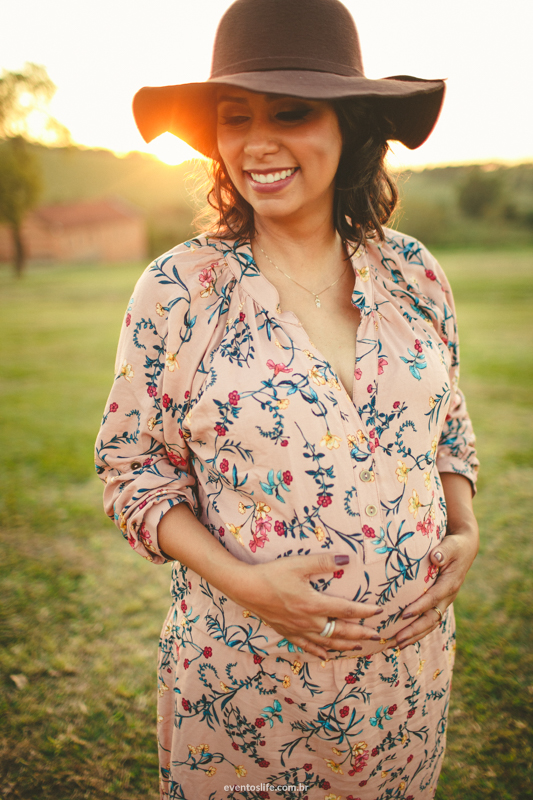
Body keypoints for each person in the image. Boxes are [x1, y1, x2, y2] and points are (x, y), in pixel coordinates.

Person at [95, 1, 479, 798]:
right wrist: (249, 586)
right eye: (235, 117)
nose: (256, 143)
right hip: (247, 683)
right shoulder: (179, 289)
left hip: (407, 681)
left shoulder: (414, 273)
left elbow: (448, 427)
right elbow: (132, 472)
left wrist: (464, 528)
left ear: (349, 126)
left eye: (290, 112)